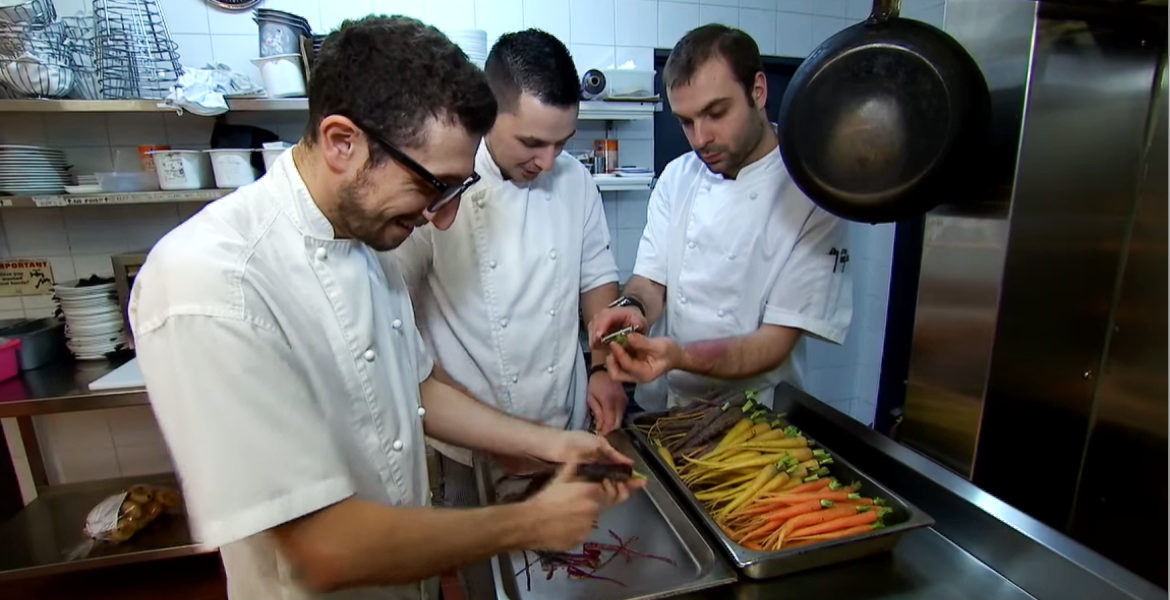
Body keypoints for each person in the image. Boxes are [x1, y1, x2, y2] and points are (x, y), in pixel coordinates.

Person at [129, 17, 640, 600]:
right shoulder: (213, 284)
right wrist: (529, 521)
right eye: (433, 186)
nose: (442, 217)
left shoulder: (365, 236)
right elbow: (323, 549)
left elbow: (416, 387)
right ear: (343, 143)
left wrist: (551, 443)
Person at [390, 30, 627, 506]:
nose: (547, 161)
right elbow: (398, 327)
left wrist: (603, 367)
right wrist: (500, 436)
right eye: (532, 142)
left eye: (562, 143)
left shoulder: (575, 180)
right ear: (487, 111)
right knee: (487, 574)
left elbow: (597, 278)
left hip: (566, 426)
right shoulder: (441, 182)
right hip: (472, 448)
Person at [588, 25, 853, 410]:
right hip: (667, 409)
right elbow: (650, 282)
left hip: (756, 416)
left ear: (758, 91)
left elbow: (772, 345)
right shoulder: (677, 177)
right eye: (686, 120)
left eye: (715, 113)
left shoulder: (811, 192)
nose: (700, 138)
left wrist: (679, 356)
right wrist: (633, 307)